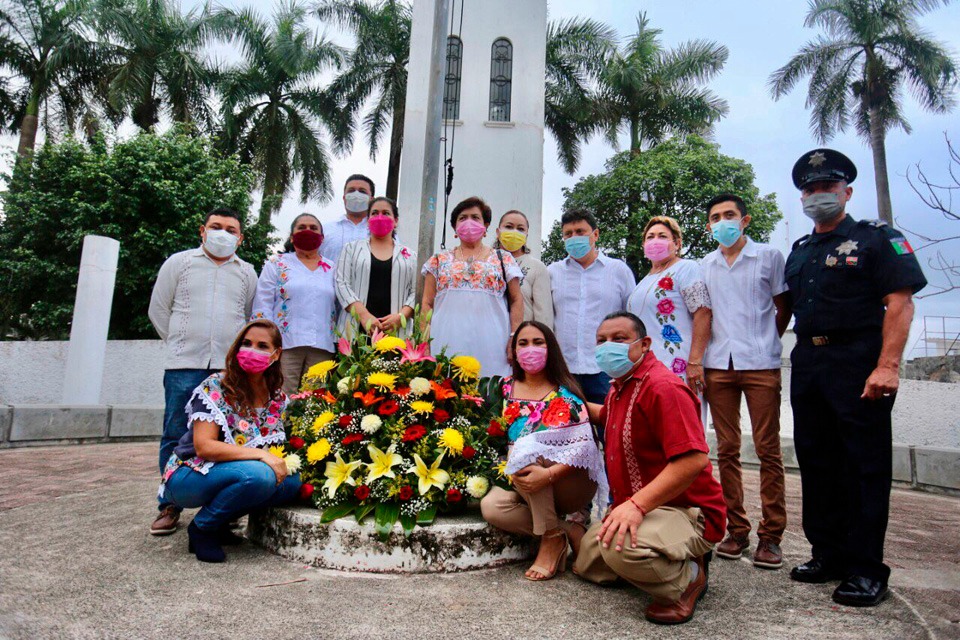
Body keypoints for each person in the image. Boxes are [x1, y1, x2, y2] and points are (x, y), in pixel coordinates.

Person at [785, 149, 926, 607]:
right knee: (817, 461)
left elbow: (900, 302)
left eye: (826, 187)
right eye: (809, 189)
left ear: (846, 191)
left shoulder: (876, 239)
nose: (816, 195)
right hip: (808, 363)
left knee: (863, 467)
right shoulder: (801, 251)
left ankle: (867, 568)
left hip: (857, 362)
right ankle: (828, 553)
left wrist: (888, 365)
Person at [574, 312, 726, 625]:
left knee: (620, 549)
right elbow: (614, 417)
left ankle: (689, 577)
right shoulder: (621, 386)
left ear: (644, 344)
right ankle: (659, 556)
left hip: (687, 511)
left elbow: (693, 460)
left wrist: (636, 505)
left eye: (618, 339)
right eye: (601, 341)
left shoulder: (663, 387)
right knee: (587, 562)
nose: (607, 347)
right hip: (646, 510)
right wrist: (567, 401)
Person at [147, 206, 258, 536]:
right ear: (202, 230)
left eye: (230, 229)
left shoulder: (246, 273)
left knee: (228, 435)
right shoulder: (179, 263)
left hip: (228, 371)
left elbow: (249, 316)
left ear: (240, 237)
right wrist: (180, 343)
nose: (222, 233)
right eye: (216, 226)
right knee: (176, 433)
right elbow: (158, 309)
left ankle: (224, 507)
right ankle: (169, 504)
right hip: (184, 364)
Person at [159, 320, 301, 563]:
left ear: (276, 354)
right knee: (260, 475)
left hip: (232, 472)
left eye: (262, 346)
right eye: (246, 344)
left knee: (291, 482)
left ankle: (221, 521)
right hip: (188, 474)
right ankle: (202, 528)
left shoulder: (276, 397)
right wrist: (262, 455)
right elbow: (205, 447)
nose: (251, 351)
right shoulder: (216, 386)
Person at [700, 194, 790, 570]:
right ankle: (737, 530)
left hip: (760, 365)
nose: (723, 221)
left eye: (729, 215)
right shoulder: (705, 265)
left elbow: (783, 306)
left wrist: (767, 342)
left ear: (745, 220)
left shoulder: (768, 257)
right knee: (727, 449)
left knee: (768, 450)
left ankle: (771, 537)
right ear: (709, 226)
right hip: (718, 365)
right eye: (716, 217)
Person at [481, 321, 606, 581]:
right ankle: (565, 531)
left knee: (528, 450)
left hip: (568, 481)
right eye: (523, 343)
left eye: (538, 342)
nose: (530, 349)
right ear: (513, 351)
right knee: (492, 507)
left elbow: (584, 449)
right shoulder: (502, 389)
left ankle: (549, 541)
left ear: (551, 349)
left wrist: (548, 476)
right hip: (523, 480)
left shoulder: (565, 394)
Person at [421, 196, 523, 377]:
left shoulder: (504, 259)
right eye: (463, 218)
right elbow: (427, 304)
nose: (469, 222)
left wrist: (514, 337)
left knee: (490, 395)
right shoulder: (438, 260)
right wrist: (424, 342)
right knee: (447, 393)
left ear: (486, 226)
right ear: (454, 227)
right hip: (445, 341)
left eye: (475, 218)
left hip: (493, 346)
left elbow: (516, 300)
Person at [548, 209, 635, 407]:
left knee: (610, 429)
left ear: (595, 234)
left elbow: (632, 317)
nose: (574, 238)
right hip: (564, 369)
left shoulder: (618, 271)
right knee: (565, 430)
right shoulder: (553, 272)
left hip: (606, 368)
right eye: (568, 234)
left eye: (580, 232)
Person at [252, 213, 337, 395]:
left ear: (322, 237)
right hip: (285, 346)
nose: (308, 231)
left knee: (313, 404)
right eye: (302, 228)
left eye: (313, 228)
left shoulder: (332, 268)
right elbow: (263, 303)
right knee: (281, 398)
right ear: (292, 236)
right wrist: (265, 342)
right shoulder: (277, 264)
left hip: (322, 347)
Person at [628, 216, 711, 391]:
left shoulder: (686, 268)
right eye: (650, 237)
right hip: (648, 366)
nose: (655, 241)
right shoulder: (644, 281)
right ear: (643, 245)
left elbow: (702, 312)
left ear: (677, 243)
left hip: (678, 363)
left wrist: (695, 362)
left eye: (662, 236)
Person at [335, 197, 417, 337]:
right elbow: (341, 284)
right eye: (374, 213)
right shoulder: (350, 249)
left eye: (386, 213)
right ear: (367, 220)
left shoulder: (410, 256)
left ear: (396, 221)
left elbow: (416, 291)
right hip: (354, 332)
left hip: (396, 333)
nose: (380, 217)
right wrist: (363, 315)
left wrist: (401, 316)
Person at [494, 210, 554, 329]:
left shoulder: (537, 267)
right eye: (509, 227)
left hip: (521, 340)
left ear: (526, 235)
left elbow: (544, 315)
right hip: (490, 337)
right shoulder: (485, 263)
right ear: (498, 232)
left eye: (520, 229)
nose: (514, 232)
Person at [322, 174, 375, 266]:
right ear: (344, 197)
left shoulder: (383, 233)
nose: (356, 194)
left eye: (362, 191)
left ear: (372, 199)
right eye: (351, 191)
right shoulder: (325, 230)